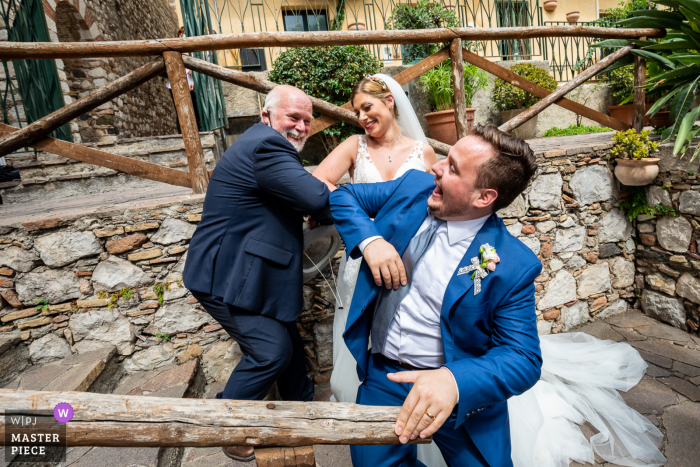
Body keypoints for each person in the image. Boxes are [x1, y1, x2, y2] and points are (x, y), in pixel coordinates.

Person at [330, 123, 666, 467]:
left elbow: (523, 358)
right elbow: (343, 196)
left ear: (483, 197)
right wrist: (371, 242)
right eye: (447, 157)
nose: (436, 167)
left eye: (453, 168)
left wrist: (454, 382)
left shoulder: (513, 264)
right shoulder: (413, 187)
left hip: (461, 394)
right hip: (384, 377)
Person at [182, 85, 333, 462]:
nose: (300, 127)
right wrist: (325, 200)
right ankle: (226, 425)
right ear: (266, 116)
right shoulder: (268, 144)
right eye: (292, 117)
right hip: (226, 273)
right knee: (271, 351)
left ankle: (299, 408)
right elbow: (315, 197)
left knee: (289, 336)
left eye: (307, 121)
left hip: (248, 268)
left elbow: (291, 196)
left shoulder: (261, 141)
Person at [312, 73, 445, 464]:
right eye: (357, 112)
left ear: (389, 100)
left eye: (367, 107)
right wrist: (364, 226)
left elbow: (435, 209)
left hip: (411, 266)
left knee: (407, 340)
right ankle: (371, 428)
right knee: (360, 343)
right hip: (362, 263)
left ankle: (413, 423)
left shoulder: (424, 152)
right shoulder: (354, 146)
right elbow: (320, 184)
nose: (362, 117)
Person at [165, 26, 202, 133]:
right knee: (181, 109)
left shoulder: (194, 50)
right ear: (180, 35)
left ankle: (197, 132)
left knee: (195, 109)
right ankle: (182, 134)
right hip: (176, 83)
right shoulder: (174, 49)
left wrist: (193, 70)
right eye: (184, 34)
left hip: (191, 82)